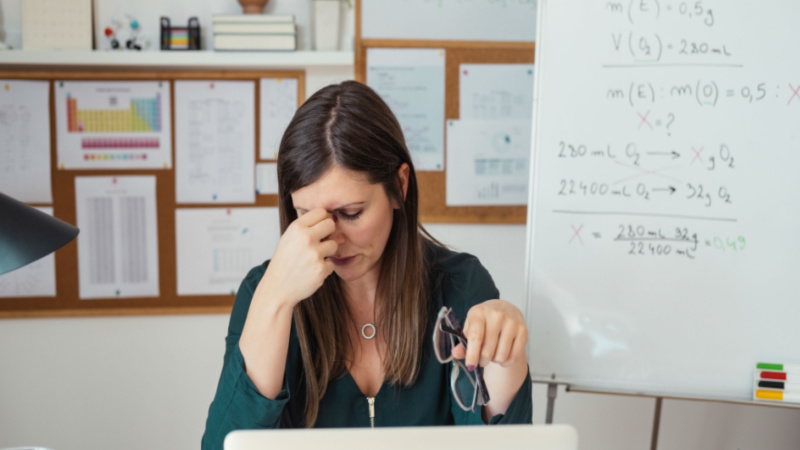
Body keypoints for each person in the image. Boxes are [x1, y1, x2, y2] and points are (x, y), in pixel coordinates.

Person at [201, 81, 532, 450]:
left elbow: (505, 441)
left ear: (399, 186)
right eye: (307, 216)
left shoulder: (460, 286)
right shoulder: (262, 292)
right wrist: (276, 299)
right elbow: (223, 446)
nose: (332, 240)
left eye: (351, 213)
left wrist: (506, 355)